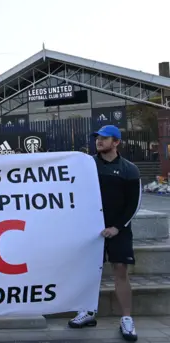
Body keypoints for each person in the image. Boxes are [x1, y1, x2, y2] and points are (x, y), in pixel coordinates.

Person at [68, 125, 141, 342]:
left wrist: (117, 227)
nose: (99, 141)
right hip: (91, 229)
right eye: (97, 138)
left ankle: (126, 319)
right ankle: (87, 312)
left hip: (119, 230)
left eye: (104, 138)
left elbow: (133, 204)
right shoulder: (87, 165)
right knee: (90, 272)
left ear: (116, 142)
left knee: (120, 270)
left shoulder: (129, 169)